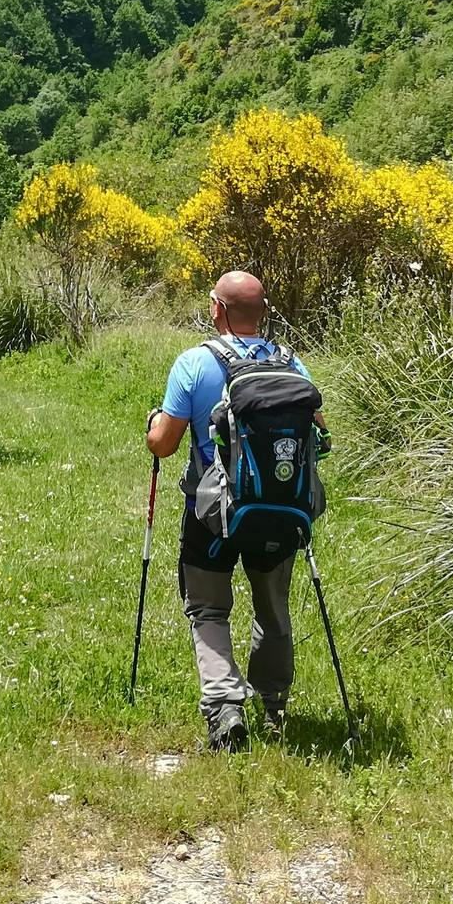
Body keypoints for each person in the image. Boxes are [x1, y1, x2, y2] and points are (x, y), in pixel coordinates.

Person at [146, 269, 321, 752]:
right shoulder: (291, 363)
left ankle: (224, 709)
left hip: (211, 512)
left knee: (207, 607)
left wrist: (154, 424)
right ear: (262, 312)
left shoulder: (195, 363)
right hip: (279, 509)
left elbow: (163, 445)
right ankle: (273, 706)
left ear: (216, 309)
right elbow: (319, 434)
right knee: (273, 607)